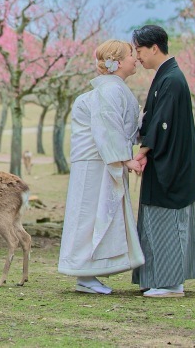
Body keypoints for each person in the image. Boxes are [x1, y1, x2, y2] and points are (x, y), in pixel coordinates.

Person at [58, 40, 145, 295]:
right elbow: (106, 127)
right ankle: (84, 274)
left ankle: (88, 272)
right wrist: (124, 159)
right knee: (89, 215)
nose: (135, 59)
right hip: (95, 164)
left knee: (96, 214)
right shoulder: (109, 91)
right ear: (117, 62)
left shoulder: (113, 89)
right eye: (131, 55)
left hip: (102, 161)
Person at [132, 25, 195, 298]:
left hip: (172, 163)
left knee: (169, 222)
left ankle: (171, 283)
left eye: (139, 50)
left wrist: (143, 150)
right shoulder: (166, 76)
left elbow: (162, 123)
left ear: (154, 47)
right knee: (155, 222)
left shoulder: (172, 79)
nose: (137, 56)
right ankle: (156, 278)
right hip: (164, 158)